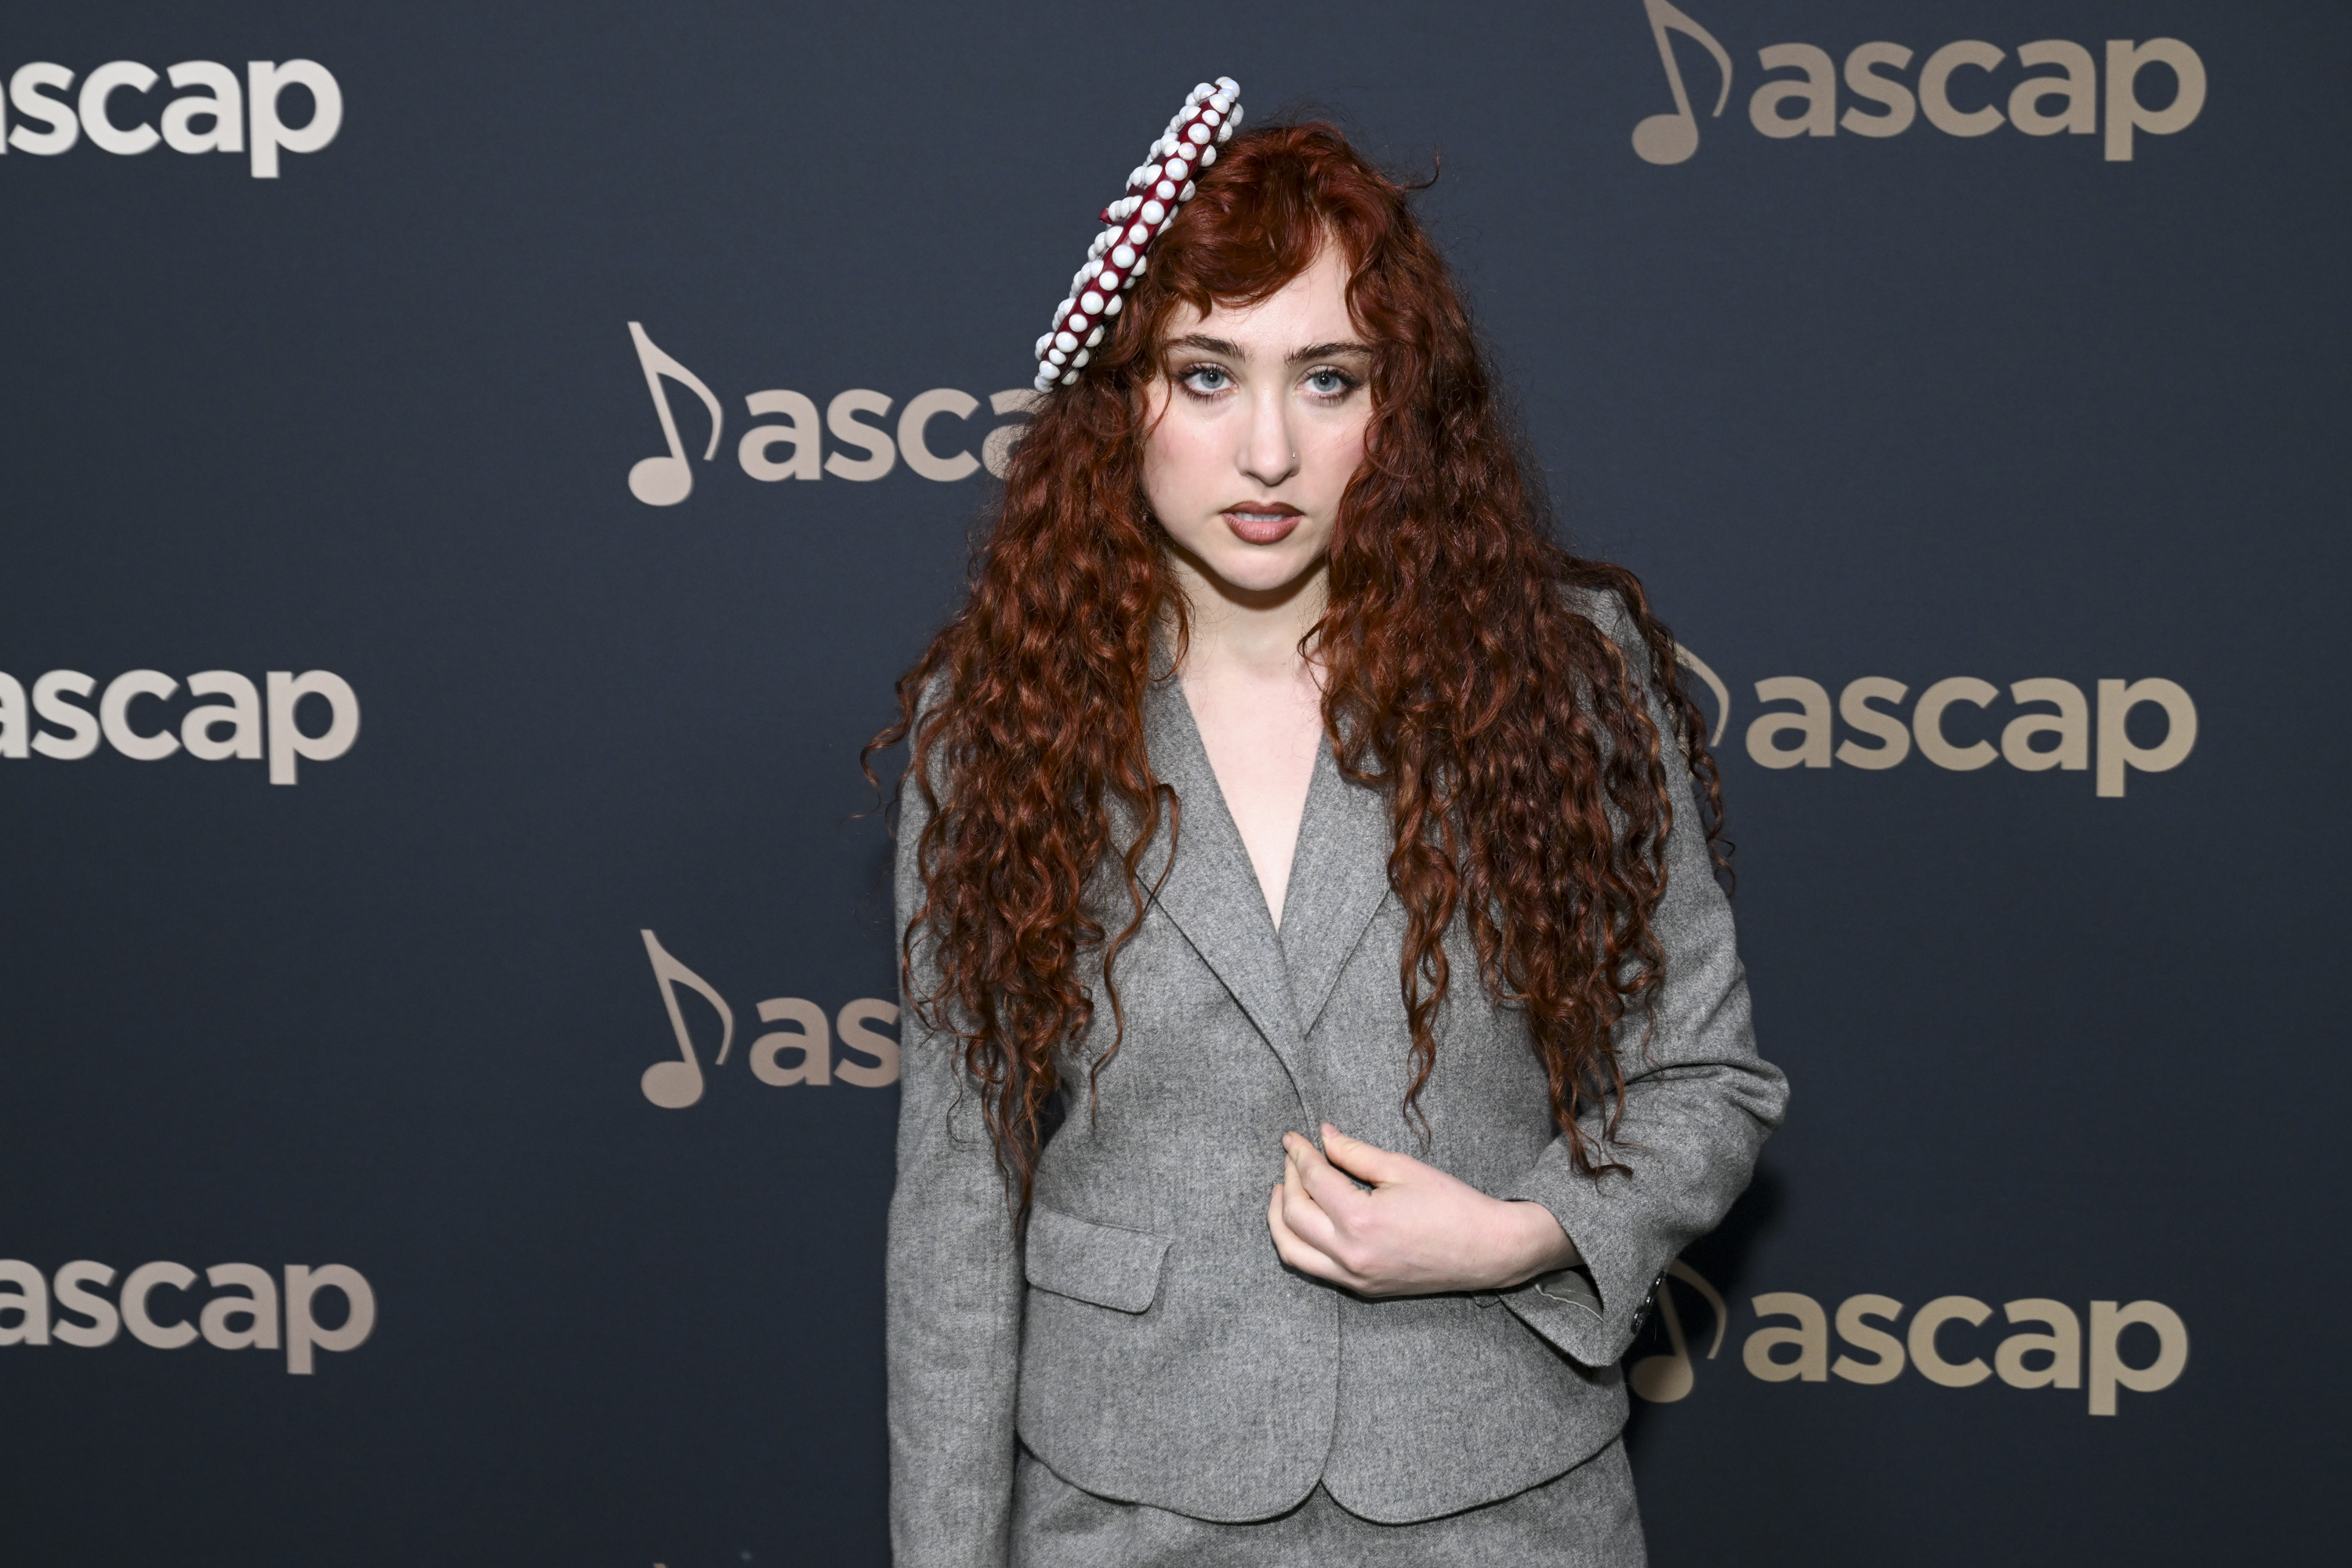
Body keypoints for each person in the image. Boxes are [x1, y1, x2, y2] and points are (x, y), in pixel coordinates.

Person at [870, 79, 1788, 1568]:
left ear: (1399, 403)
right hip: (1129, 1506)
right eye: (1209, 374)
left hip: (1500, 1498)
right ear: (1122, 398)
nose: (1270, 454)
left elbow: (1704, 1081)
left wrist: (1519, 1233)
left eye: (1331, 378)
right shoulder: (1001, 721)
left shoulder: (1562, 673)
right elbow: (959, 1211)